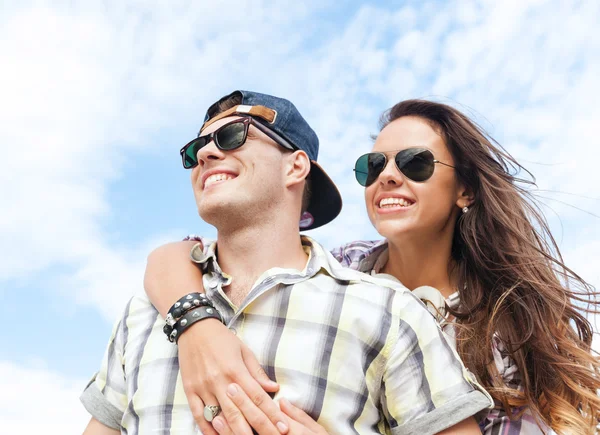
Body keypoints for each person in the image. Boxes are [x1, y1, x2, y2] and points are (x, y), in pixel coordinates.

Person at [145, 98, 600, 434]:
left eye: (415, 162)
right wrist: (197, 328)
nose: (387, 175)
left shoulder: (506, 332)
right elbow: (173, 260)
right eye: (374, 164)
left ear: (465, 191)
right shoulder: (341, 270)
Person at [81, 90, 492, 435]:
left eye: (231, 136)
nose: (205, 152)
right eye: (195, 148)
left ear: (296, 166)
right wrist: (191, 319)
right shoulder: (147, 310)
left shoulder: (389, 312)